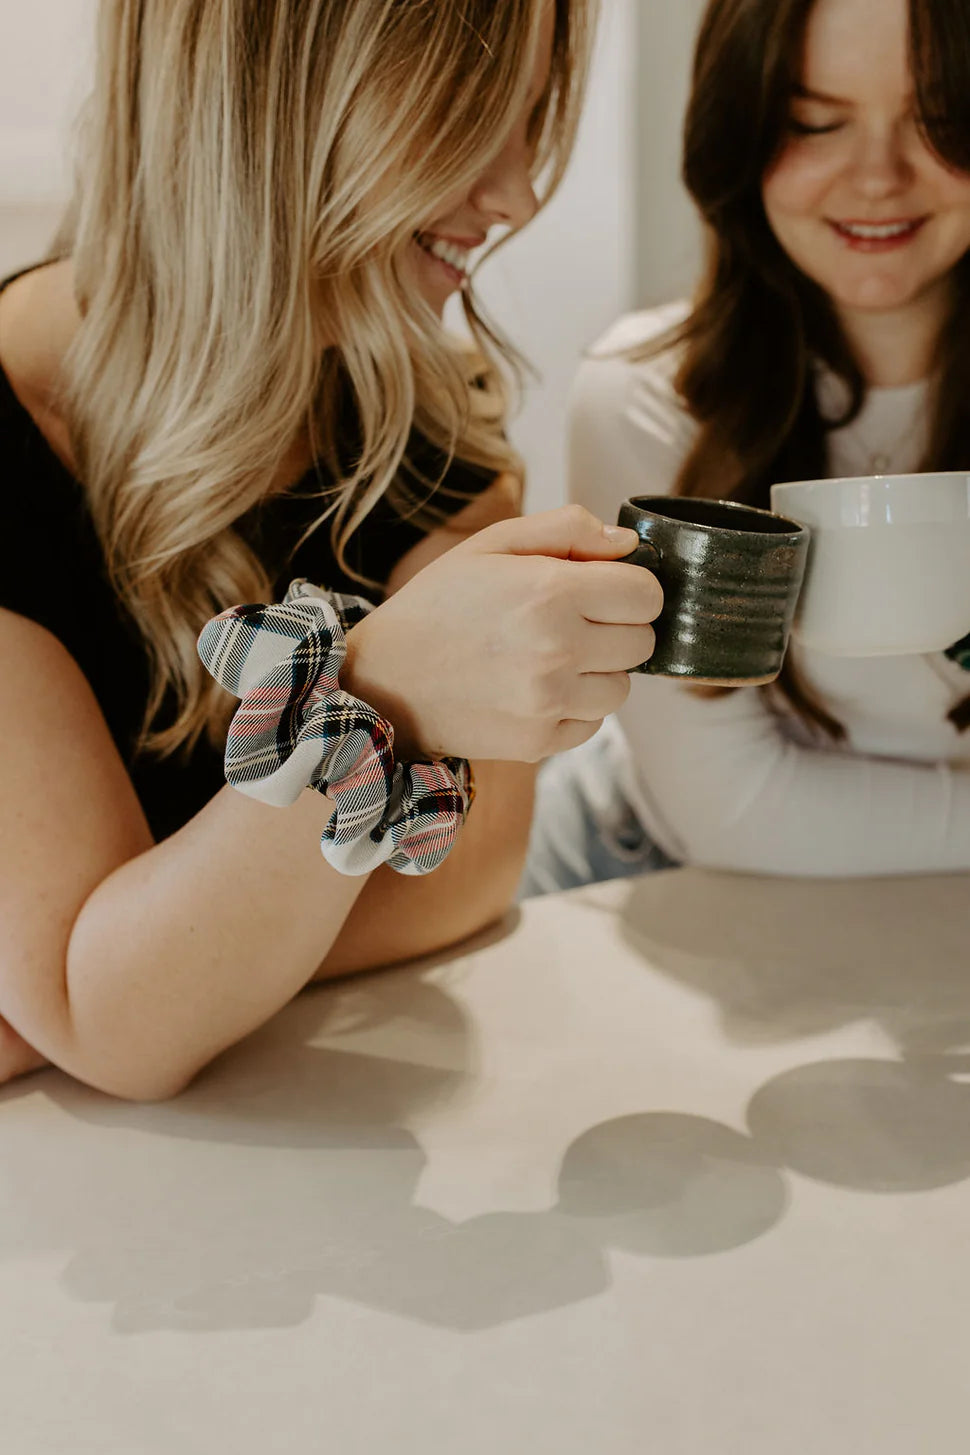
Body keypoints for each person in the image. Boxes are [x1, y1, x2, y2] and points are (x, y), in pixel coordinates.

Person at [0, 0, 663, 1098]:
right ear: (269, 102)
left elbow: (474, 876)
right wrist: (383, 699)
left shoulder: (429, 431)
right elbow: (111, 1019)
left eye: (529, 116)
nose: (518, 194)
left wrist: (138, 987)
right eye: (467, 115)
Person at [521, 0, 970, 897]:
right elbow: (731, 806)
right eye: (814, 122)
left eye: (941, 121)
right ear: (741, 131)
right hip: (659, 885)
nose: (878, 176)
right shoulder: (649, 397)